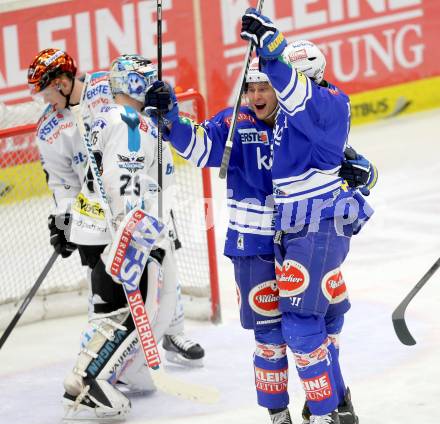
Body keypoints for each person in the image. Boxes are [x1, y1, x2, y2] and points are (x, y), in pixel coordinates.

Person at [143, 56, 376, 424]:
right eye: (249, 88)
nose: (254, 96)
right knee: (270, 337)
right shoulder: (235, 122)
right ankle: (279, 413)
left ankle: (333, 401)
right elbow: (200, 147)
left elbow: (340, 161)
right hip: (255, 245)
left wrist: (365, 173)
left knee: (323, 324)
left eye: (262, 87)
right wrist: (170, 118)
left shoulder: (302, 117)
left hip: (306, 235)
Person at [27, 48, 205, 370]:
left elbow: (146, 109)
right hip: (98, 207)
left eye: (48, 91)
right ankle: (107, 349)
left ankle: (173, 332)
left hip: (143, 191)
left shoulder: (107, 86)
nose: (45, 100)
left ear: (64, 81)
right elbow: (62, 180)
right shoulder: (49, 130)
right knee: (104, 274)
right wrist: (63, 219)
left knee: (163, 258)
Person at [240, 8, 375, 424]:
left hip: (314, 229)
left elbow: (300, 99)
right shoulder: (293, 115)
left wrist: (272, 48)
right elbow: (334, 159)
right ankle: (338, 403)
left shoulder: (323, 102)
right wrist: (361, 169)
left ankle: (325, 414)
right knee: (321, 318)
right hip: (299, 229)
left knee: (300, 326)